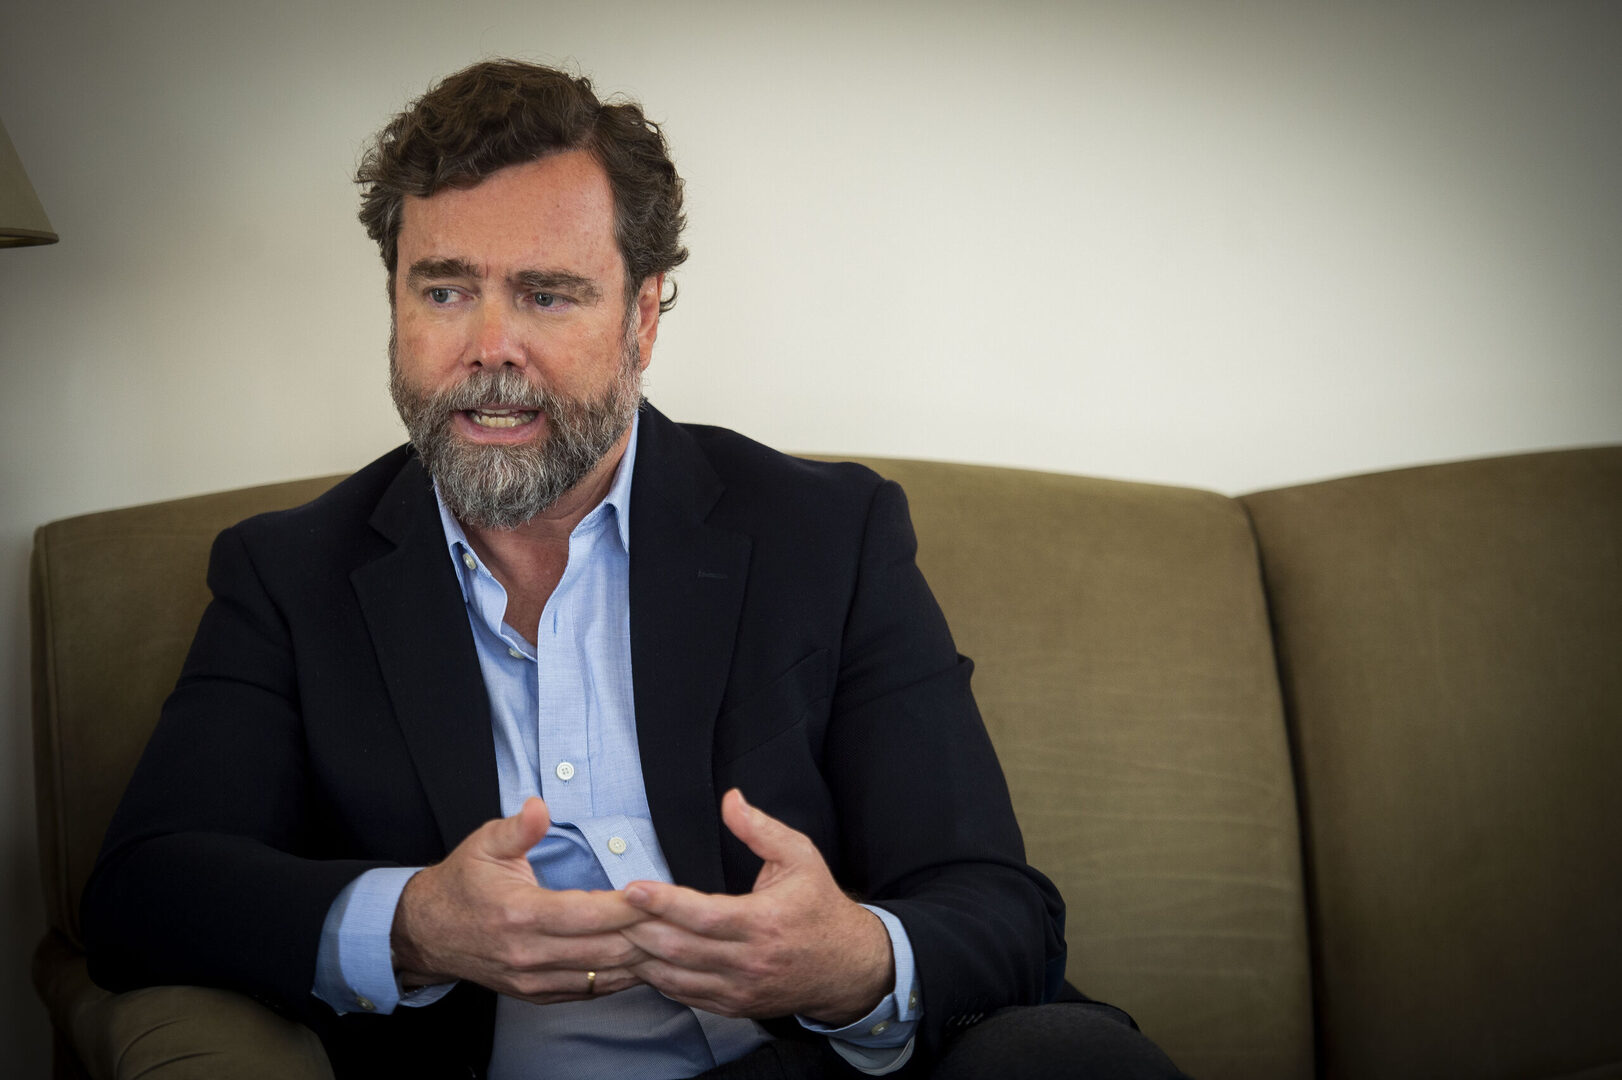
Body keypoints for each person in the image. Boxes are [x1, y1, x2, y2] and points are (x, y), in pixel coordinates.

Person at [83, 60, 1186, 1079]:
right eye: (444, 290)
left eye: (547, 294)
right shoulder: (291, 575)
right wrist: (415, 925)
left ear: (644, 316)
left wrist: (849, 960)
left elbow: (998, 907)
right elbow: (145, 890)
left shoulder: (827, 533)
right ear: (395, 302)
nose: (490, 347)